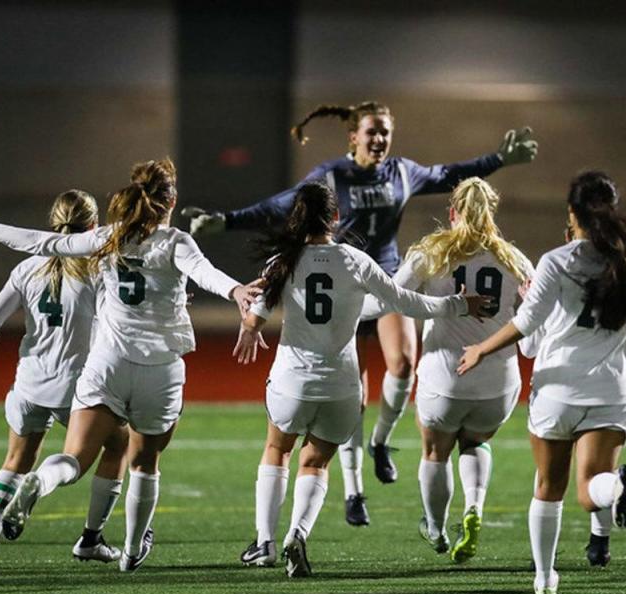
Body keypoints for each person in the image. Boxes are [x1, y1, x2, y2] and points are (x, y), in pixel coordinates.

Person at [187, 101, 537, 526]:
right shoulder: (333, 176)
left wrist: (499, 160)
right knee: (351, 385)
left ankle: (381, 442)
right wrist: (226, 221)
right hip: (342, 284)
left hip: (388, 282)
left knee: (404, 363)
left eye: (385, 131)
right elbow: (283, 205)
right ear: (353, 136)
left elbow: (450, 174)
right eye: (372, 131)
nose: (379, 139)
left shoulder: (403, 172)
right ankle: (353, 488)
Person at [0, 159, 260, 572]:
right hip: (160, 369)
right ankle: (128, 552)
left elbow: (42, 243)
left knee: (74, 457)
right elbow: (205, 274)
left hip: (107, 364)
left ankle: (41, 481)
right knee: (142, 460)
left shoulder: (107, 238)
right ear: (172, 200)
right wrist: (236, 290)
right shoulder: (176, 242)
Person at [232, 182, 492, 576]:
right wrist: (459, 304)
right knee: (316, 461)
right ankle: (297, 535)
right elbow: (408, 303)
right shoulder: (355, 260)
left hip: (292, 381)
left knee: (277, 450)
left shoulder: (284, 260)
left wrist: (249, 328)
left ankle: (265, 543)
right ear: (336, 218)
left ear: (297, 217)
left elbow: (257, 313)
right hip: (341, 387)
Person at [458, 171, 626, 594]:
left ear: (571, 214)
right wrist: (620, 350)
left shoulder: (556, 261)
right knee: (592, 488)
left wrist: (481, 347)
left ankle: (544, 581)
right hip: (611, 392)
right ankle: (618, 488)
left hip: (556, 390)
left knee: (548, 488)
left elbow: (527, 325)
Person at [360, 177, 534, 562]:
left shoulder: (431, 253)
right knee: (476, 443)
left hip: (444, 377)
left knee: (435, 452)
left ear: (452, 212)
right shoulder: (514, 259)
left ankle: (437, 529)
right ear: (491, 214)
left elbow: (391, 298)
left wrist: (350, 308)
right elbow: (532, 321)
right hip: (498, 382)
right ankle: (473, 507)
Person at [0, 190, 129, 569]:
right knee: (120, 445)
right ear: (92, 226)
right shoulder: (98, 270)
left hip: (29, 384)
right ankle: (91, 538)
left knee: (16, 459)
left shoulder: (27, 269)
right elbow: (116, 326)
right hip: (78, 388)